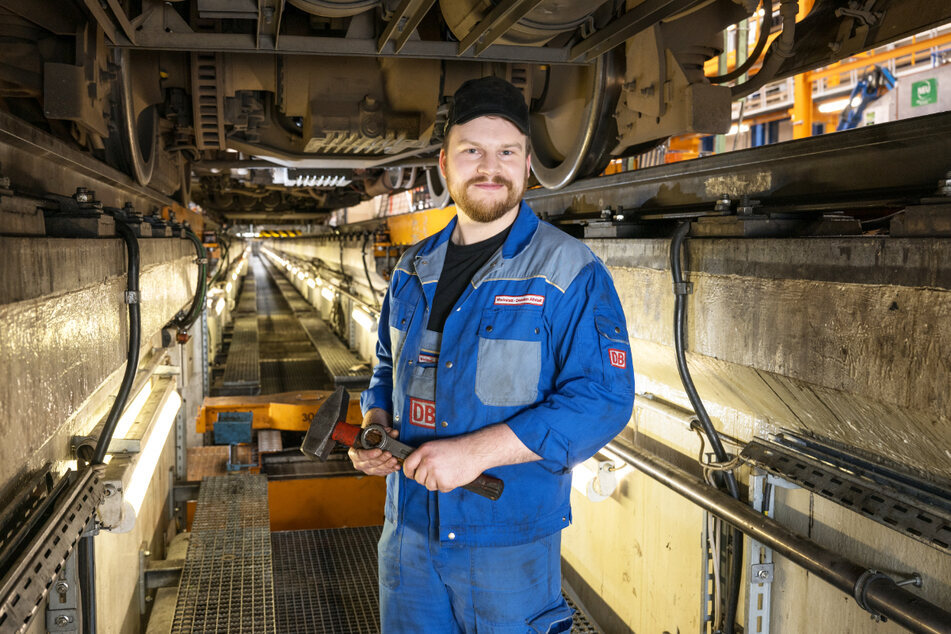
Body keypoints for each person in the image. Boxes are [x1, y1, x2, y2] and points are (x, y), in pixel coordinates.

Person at [350, 75, 635, 633]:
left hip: (508, 544)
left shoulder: (570, 271)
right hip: (407, 532)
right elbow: (387, 366)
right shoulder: (411, 268)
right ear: (444, 164)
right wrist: (375, 423)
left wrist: (475, 452)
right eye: (472, 151)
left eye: (506, 152)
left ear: (527, 163)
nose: (489, 167)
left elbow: (603, 399)